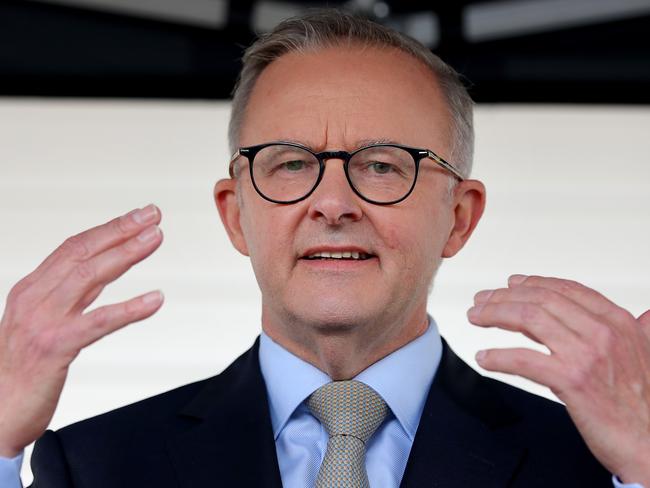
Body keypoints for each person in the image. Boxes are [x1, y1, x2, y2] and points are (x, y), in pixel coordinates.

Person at [1, 9, 649, 488]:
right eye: (288, 164)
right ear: (236, 214)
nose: (333, 203)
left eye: (383, 166)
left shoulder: (603, 464)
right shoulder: (96, 466)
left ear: (458, 216)